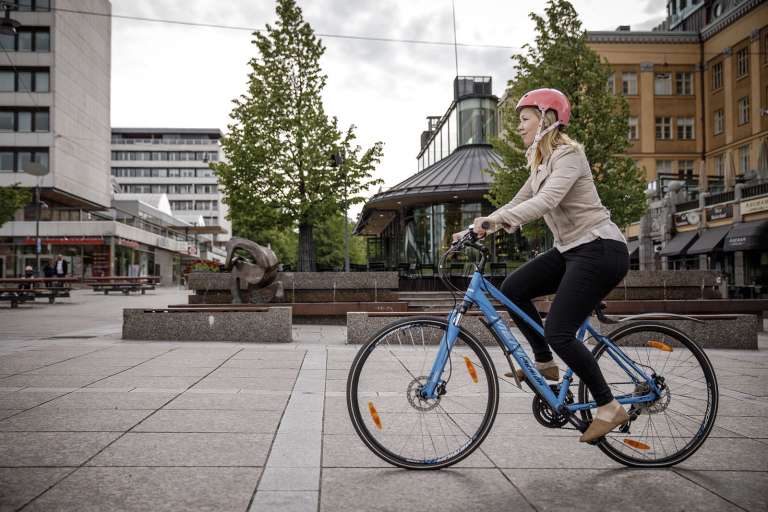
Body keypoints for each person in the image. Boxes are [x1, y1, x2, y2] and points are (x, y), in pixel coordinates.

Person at [453, 88, 630, 443]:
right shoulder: (540, 164)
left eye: (524, 119)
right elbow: (520, 200)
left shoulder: (569, 155)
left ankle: (608, 406)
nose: (518, 127)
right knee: (513, 289)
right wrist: (482, 224)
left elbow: (547, 200)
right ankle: (544, 361)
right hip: (571, 250)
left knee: (560, 330)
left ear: (546, 119)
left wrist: (493, 222)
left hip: (600, 247)